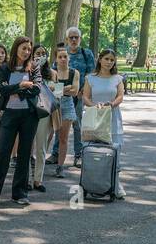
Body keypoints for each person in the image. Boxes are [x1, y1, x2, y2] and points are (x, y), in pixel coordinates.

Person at [0, 37, 41, 207]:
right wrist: (22, 85)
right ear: (16, 49)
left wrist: (17, 90)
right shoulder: (6, 67)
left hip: (29, 115)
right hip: (9, 114)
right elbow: (2, 89)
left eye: (29, 49)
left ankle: (20, 193)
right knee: (2, 153)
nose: (27, 52)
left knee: (24, 154)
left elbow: (37, 88)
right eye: (24, 48)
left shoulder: (34, 67)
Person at [81, 48, 126, 199]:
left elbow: (120, 96)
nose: (109, 62)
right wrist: (94, 105)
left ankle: (116, 183)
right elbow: (85, 97)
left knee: (115, 150)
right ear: (100, 60)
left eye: (112, 60)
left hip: (112, 117)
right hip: (96, 117)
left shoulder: (117, 79)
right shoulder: (90, 78)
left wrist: (112, 104)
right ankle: (93, 183)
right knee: (95, 151)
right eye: (106, 59)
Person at [48, 26, 96, 167]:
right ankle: (56, 154)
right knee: (58, 125)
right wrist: (63, 89)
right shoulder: (62, 53)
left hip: (80, 94)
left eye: (76, 37)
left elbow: (91, 73)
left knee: (77, 126)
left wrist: (83, 91)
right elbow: (53, 76)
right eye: (71, 37)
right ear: (67, 39)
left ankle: (78, 154)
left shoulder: (86, 53)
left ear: (80, 39)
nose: (74, 40)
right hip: (60, 98)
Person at [50, 43, 81, 179]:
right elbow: (49, 91)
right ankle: (39, 163)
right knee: (48, 135)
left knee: (63, 138)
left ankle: (60, 166)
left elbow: (75, 92)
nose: (63, 59)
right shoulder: (52, 72)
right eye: (60, 57)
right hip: (52, 105)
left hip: (67, 105)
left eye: (65, 56)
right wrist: (66, 88)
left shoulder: (75, 72)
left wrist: (59, 89)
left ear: (69, 58)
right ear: (56, 59)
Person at [29, 45, 56, 192]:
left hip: (44, 111)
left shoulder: (51, 73)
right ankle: (26, 178)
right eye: (37, 53)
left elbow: (56, 91)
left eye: (43, 54)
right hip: (28, 110)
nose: (40, 56)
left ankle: (38, 179)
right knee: (27, 146)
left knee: (41, 147)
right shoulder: (27, 70)